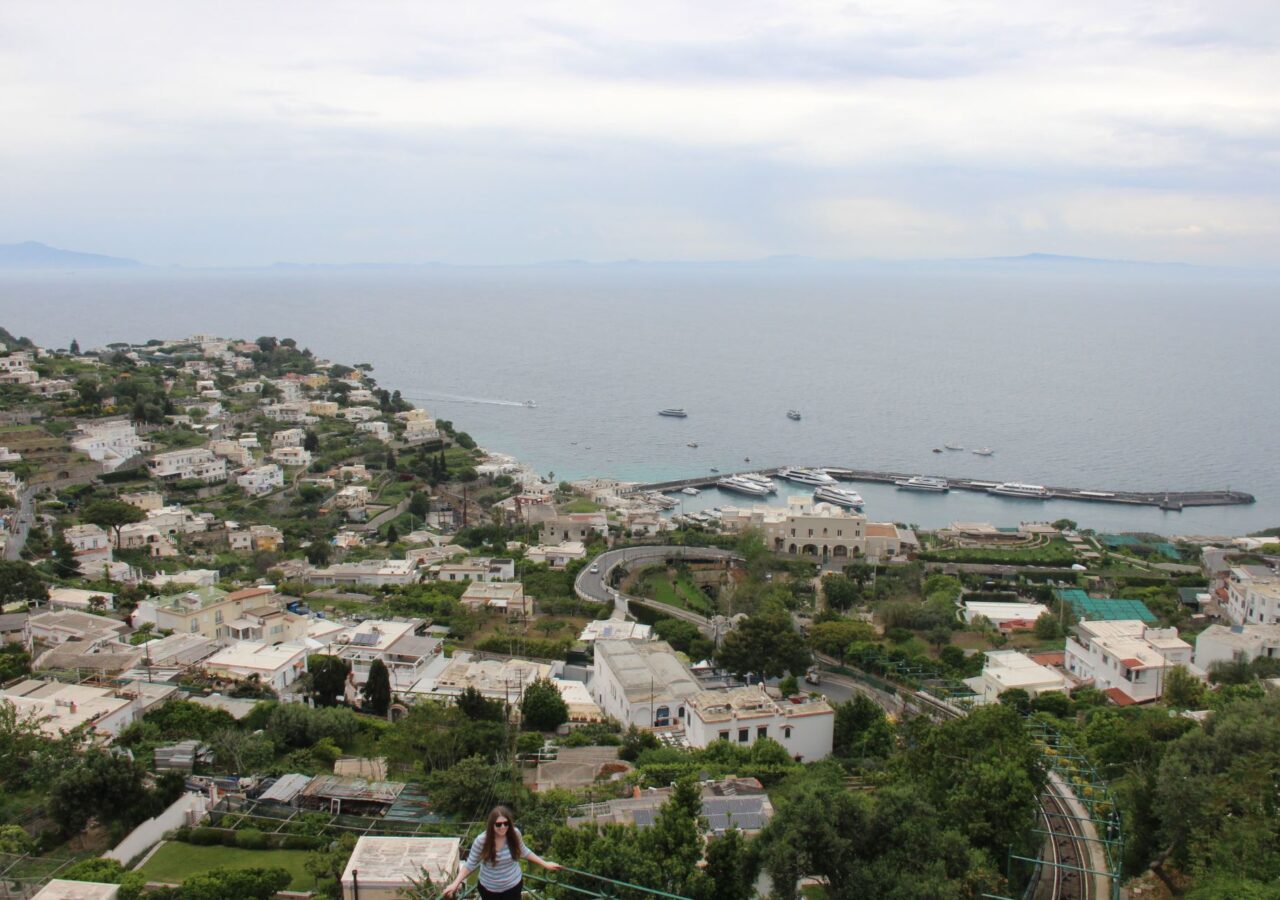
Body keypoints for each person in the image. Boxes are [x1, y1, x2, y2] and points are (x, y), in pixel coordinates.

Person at [443, 805, 561, 899]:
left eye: (506, 823)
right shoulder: (482, 840)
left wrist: (545, 864)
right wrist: (455, 883)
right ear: (491, 825)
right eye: (498, 824)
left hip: (513, 885)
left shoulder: (514, 834)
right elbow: (470, 864)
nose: (503, 827)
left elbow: (524, 851)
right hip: (489, 889)